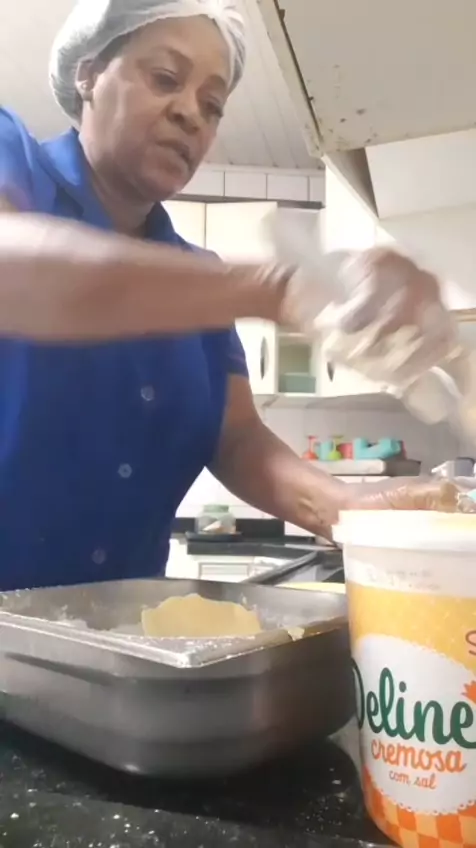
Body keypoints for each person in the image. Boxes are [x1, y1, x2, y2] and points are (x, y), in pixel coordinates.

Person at [0, 0, 468, 592]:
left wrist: (348, 508)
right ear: (87, 74)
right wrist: (277, 286)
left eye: (213, 105)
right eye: (165, 78)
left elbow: (238, 439)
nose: (190, 114)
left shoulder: (201, 277)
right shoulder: (13, 159)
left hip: (115, 632)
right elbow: (16, 270)